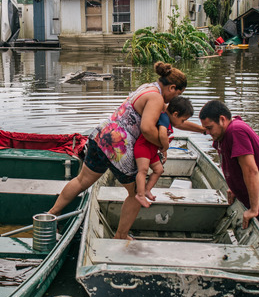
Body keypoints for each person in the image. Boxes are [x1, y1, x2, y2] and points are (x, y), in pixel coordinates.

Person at [48, 62, 204, 239]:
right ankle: (121, 235)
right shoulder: (157, 98)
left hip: (100, 135)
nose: (175, 99)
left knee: (82, 180)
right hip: (118, 147)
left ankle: (51, 215)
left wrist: (203, 130)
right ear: (173, 87)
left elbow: (176, 121)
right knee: (137, 193)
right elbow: (147, 128)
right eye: (178, 93)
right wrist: (163, 146)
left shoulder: (148, 88)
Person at [199, 100, 259, 245]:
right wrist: (234, 187)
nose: (207, 133)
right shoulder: (223, 134)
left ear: (222, 119)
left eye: (210, 128)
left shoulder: (236, 131)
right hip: (258, 203)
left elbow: (251, 171)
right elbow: (233, 164)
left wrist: (253, 209)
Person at [134, 96, 194, 207]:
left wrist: (163, 150)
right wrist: (166, 147)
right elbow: (162, 134)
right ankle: (140, 194)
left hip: (152, 150)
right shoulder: (164, 118)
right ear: (175, 114)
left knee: (159, 169)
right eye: (183, 120)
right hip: (143, 147)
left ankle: (147, 189)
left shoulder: (168, 120)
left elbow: (161, 138)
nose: (183, 123)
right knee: (143, 170)